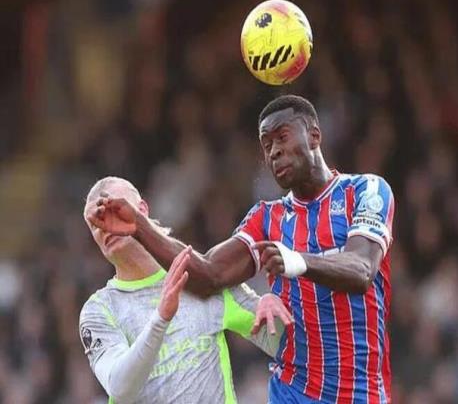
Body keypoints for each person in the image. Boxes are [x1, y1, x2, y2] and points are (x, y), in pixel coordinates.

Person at [88, 95, 395, 403]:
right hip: (293, 391)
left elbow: (362, 270)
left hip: (361, 391)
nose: (274, 151)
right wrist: (140, 227)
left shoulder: (366, 190)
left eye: (282, 137)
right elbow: (209, 274)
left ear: (314, 135)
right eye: (266, 144)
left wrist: (297, 262)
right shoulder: (266, 217)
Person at [80, 177, 292, 404]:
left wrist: (274, 306)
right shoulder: (99, 310)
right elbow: (120, 388)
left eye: (113, 209)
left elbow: (289, 348)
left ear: (141, 210)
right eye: (96, 223)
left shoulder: (200, 279)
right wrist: (160, 319)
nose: (105, 225)